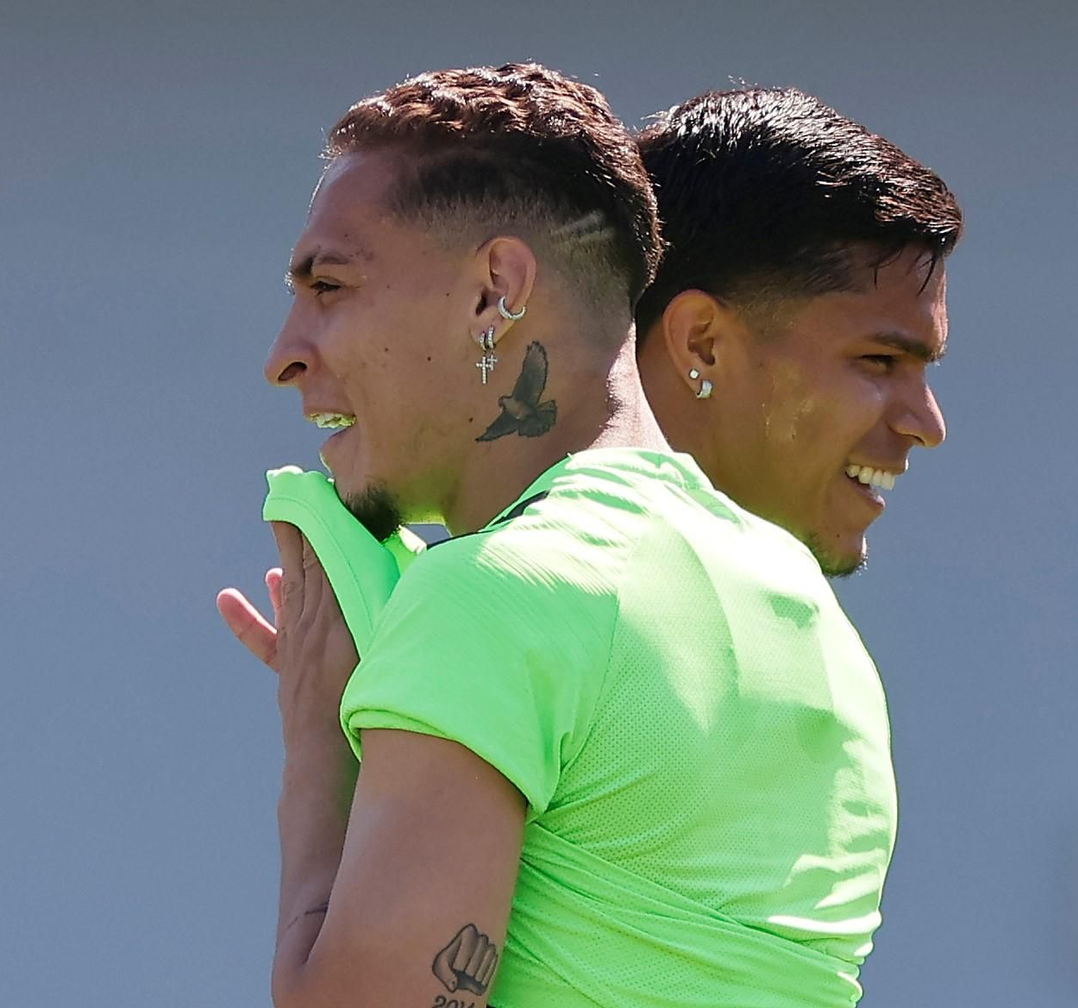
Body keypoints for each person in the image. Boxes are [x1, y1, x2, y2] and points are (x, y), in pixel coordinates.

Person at [216, 65, 938, 1007]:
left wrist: (321, 746)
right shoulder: (816, 625)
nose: (285, 353)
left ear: (495, 293)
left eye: (331, 285)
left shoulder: (495, 594)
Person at [635, 86, 961, 576]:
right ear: (702, 344)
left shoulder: (794, 625)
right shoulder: (517, 596)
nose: (929, 426)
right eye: (881, 360)